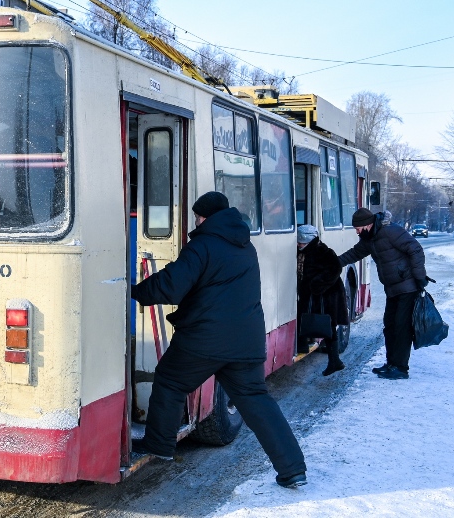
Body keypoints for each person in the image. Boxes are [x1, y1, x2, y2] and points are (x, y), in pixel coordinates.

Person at [131, 191, 307, 489]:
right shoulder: (244, 244)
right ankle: (293, 469)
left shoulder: (203, 244)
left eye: (198, 215)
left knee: (171, 381)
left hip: (205, 338)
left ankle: (159, 446)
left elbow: (172, 286)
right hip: (246, 341)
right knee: (257, 401)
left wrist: (134, 291)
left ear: (204, 216)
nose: (196, 220)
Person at [339, 207, 429, 380]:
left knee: (402, 328)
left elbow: (415, 249)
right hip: (393, 289)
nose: (357, 232)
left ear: (368, 224)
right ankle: (391, 364)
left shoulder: (390, 231)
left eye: (358, 229)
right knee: (390, 326)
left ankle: (401, 368)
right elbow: (354, 254)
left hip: (408, 287)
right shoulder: (369, 238)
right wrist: (334, 263)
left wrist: (419, 277)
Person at [296, 225, 348, 376]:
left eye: (302, 242)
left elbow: (335, 268)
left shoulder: (321, 250)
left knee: (327, 325)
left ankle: (335, 361)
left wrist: (317, 284)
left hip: (327, 295)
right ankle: (331, 360)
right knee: (307, 319)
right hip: (315, 295)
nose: (299, 245)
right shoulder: (305, 251)